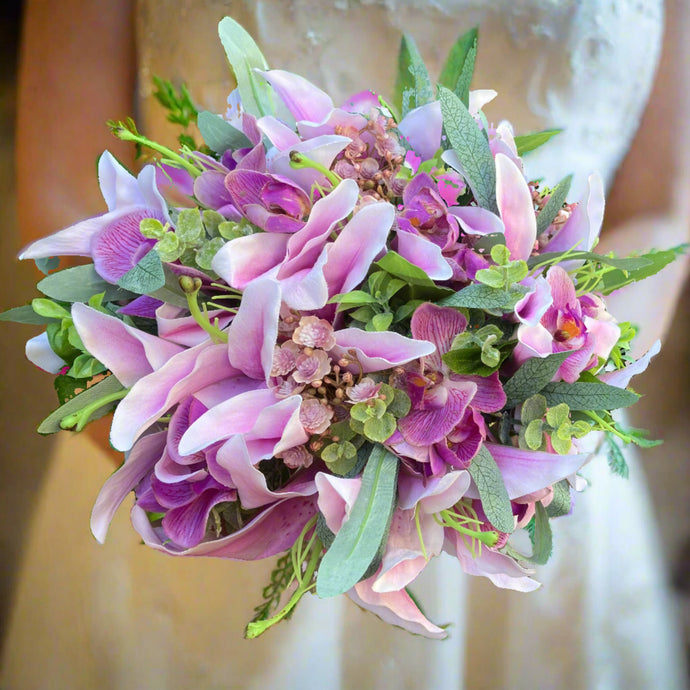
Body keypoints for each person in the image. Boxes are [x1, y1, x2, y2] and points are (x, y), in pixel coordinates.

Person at [3, 1, 688, 688]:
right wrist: (243, 476)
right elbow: (65, 191)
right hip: (214, 452)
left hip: (526, 458)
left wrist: (561, 380)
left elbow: (661, 208)